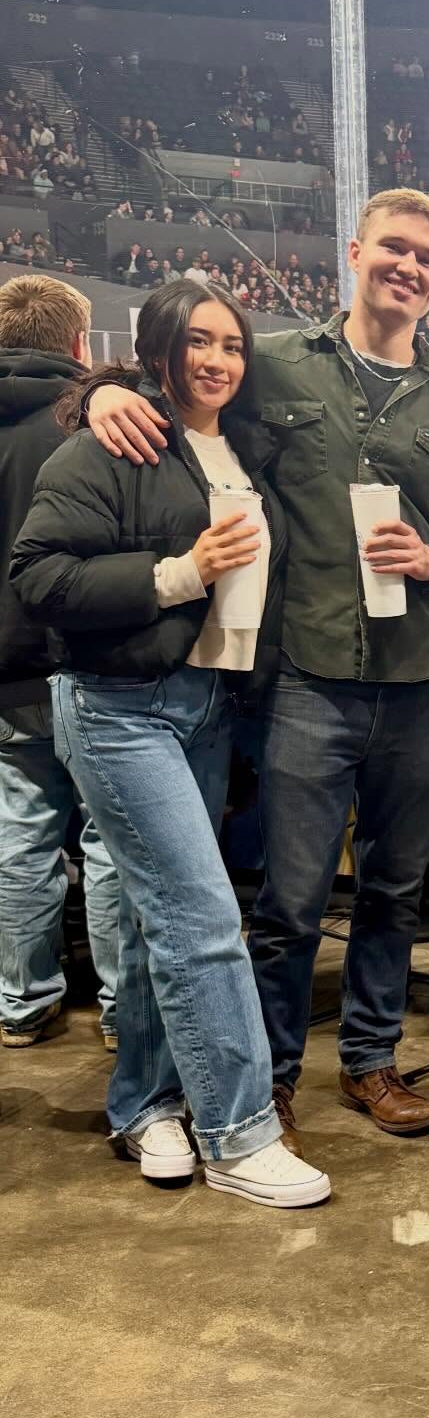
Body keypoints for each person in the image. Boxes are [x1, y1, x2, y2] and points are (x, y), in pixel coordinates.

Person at [77, 189, 429, 1147]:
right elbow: (178, 389)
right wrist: (101, 394)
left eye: (427, 260)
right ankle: (273, 1077)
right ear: (355, 253)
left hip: (417, 687)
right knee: (289, 901)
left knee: (396, 891)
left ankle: (371, 1061)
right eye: (393, 249)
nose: (408, 268)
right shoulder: (274, 368)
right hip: (306, 682)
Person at [11, 282, 330, 1206]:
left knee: (163, 920)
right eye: (196, 342)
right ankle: (237, 1132)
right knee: (201, 920)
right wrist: (178, 573)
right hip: (118, 704)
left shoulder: (246, 445)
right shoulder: (113, 440)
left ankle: (143, 1104)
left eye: (232, 344)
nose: (217, 360)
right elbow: (39, 576)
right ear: (158, 348)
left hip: (207, 703)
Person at [0, 275, 119, 1049]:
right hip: (89, 659)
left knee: (20, 834)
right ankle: (122, 1010)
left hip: (4, 674)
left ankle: (21, 1002)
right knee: (111, 842)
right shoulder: (92, 422)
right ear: (80, 344)